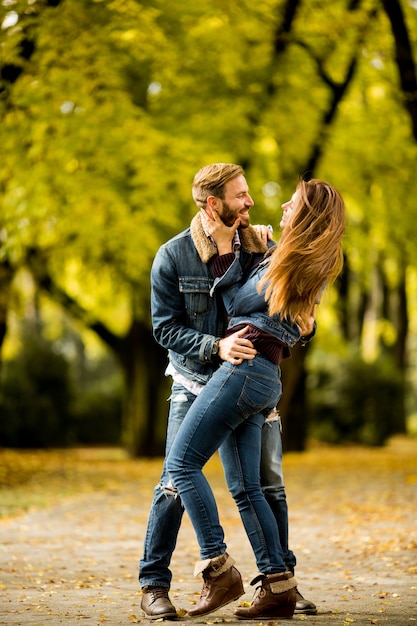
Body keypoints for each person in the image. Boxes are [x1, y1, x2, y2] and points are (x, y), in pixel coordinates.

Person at [139, 163, 317, 619]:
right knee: (172, 481)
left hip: (246, 379)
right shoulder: (173, 255)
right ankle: (155, 584)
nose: (251, 202)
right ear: (215, 204)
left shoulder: (262, 245)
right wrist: (214, 345)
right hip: (194, 380)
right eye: (241, 195)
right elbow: (164, 329)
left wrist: (305, 330)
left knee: (262, 486)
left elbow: (285, 311)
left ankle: (279, 583)